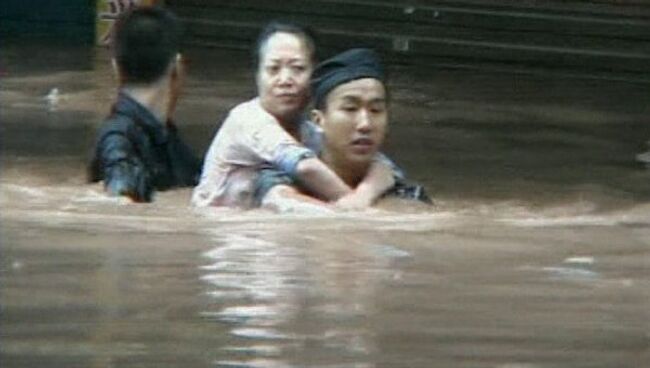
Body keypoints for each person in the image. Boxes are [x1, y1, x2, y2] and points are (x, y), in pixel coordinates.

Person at [192, 22, 396, 208]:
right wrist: (360, 209)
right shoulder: (247, 119)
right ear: (257, 76)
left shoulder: (309, 131)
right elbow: (306, 168)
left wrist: (366, 191)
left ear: (314, 76)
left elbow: (381, 165)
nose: (285, 80)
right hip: (217, 226)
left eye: (298, 69)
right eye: (273, 69)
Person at [257, 48, 431, 211]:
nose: (365, 124)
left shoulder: (402, 190)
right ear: (318, 120)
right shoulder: (281, 178)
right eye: (350, 108)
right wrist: (357, 207)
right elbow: (279, 201)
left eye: (376, 110)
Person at [88, 6, 201, 202]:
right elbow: (120, 199)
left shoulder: (166, 136)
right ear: (177, 66)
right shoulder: (119, 138)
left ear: (115, 68)